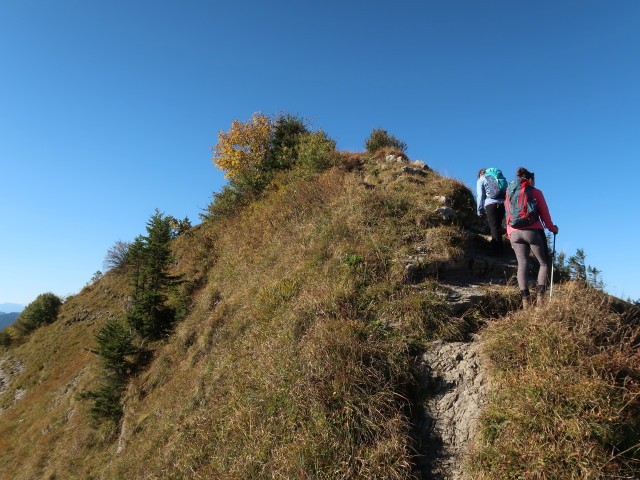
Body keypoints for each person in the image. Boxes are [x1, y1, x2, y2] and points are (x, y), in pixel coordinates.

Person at [505, 167, 559, 308]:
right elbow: (545, 215)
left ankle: (525, 302)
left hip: (514, 232)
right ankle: (540, 300)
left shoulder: (509, 193)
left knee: (522, 264)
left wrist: (509, 233)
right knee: (543, 263)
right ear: (530, 180)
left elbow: (508, 214)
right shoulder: (535, 192)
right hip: (532, 230)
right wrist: (553, 229)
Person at [476, 167, 507, 255]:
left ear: (480, 175)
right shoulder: (497, 178)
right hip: (502, 204)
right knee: (498, 227)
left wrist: (479, 210)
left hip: (491, 205)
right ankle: (500, 249)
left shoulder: (481, 180)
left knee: (494, 227)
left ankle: (497, 252)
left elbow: (480, 195)